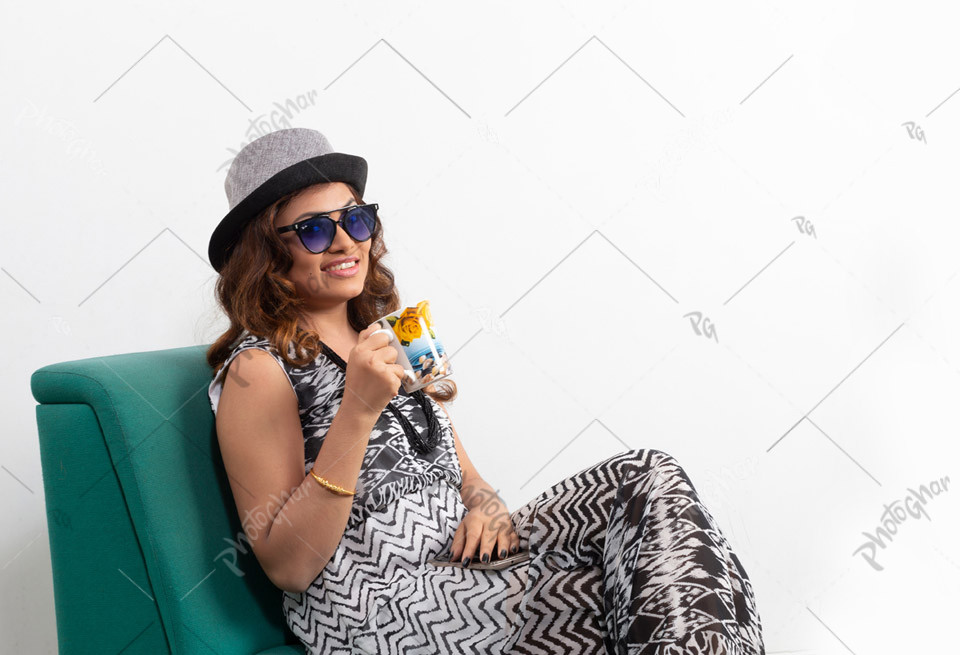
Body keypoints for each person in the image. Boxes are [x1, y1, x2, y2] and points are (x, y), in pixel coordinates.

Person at [206, 127, 765, 654]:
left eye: (355, 219)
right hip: (381, 610)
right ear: (267, 258)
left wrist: (487, 505)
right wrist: (356, 410)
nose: (346, 241)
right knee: (631, 591)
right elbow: (288, 567)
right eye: (314, 229)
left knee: (648, 482)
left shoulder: (388, 335)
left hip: (464, 562)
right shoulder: (260, 370)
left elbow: (463, 473)